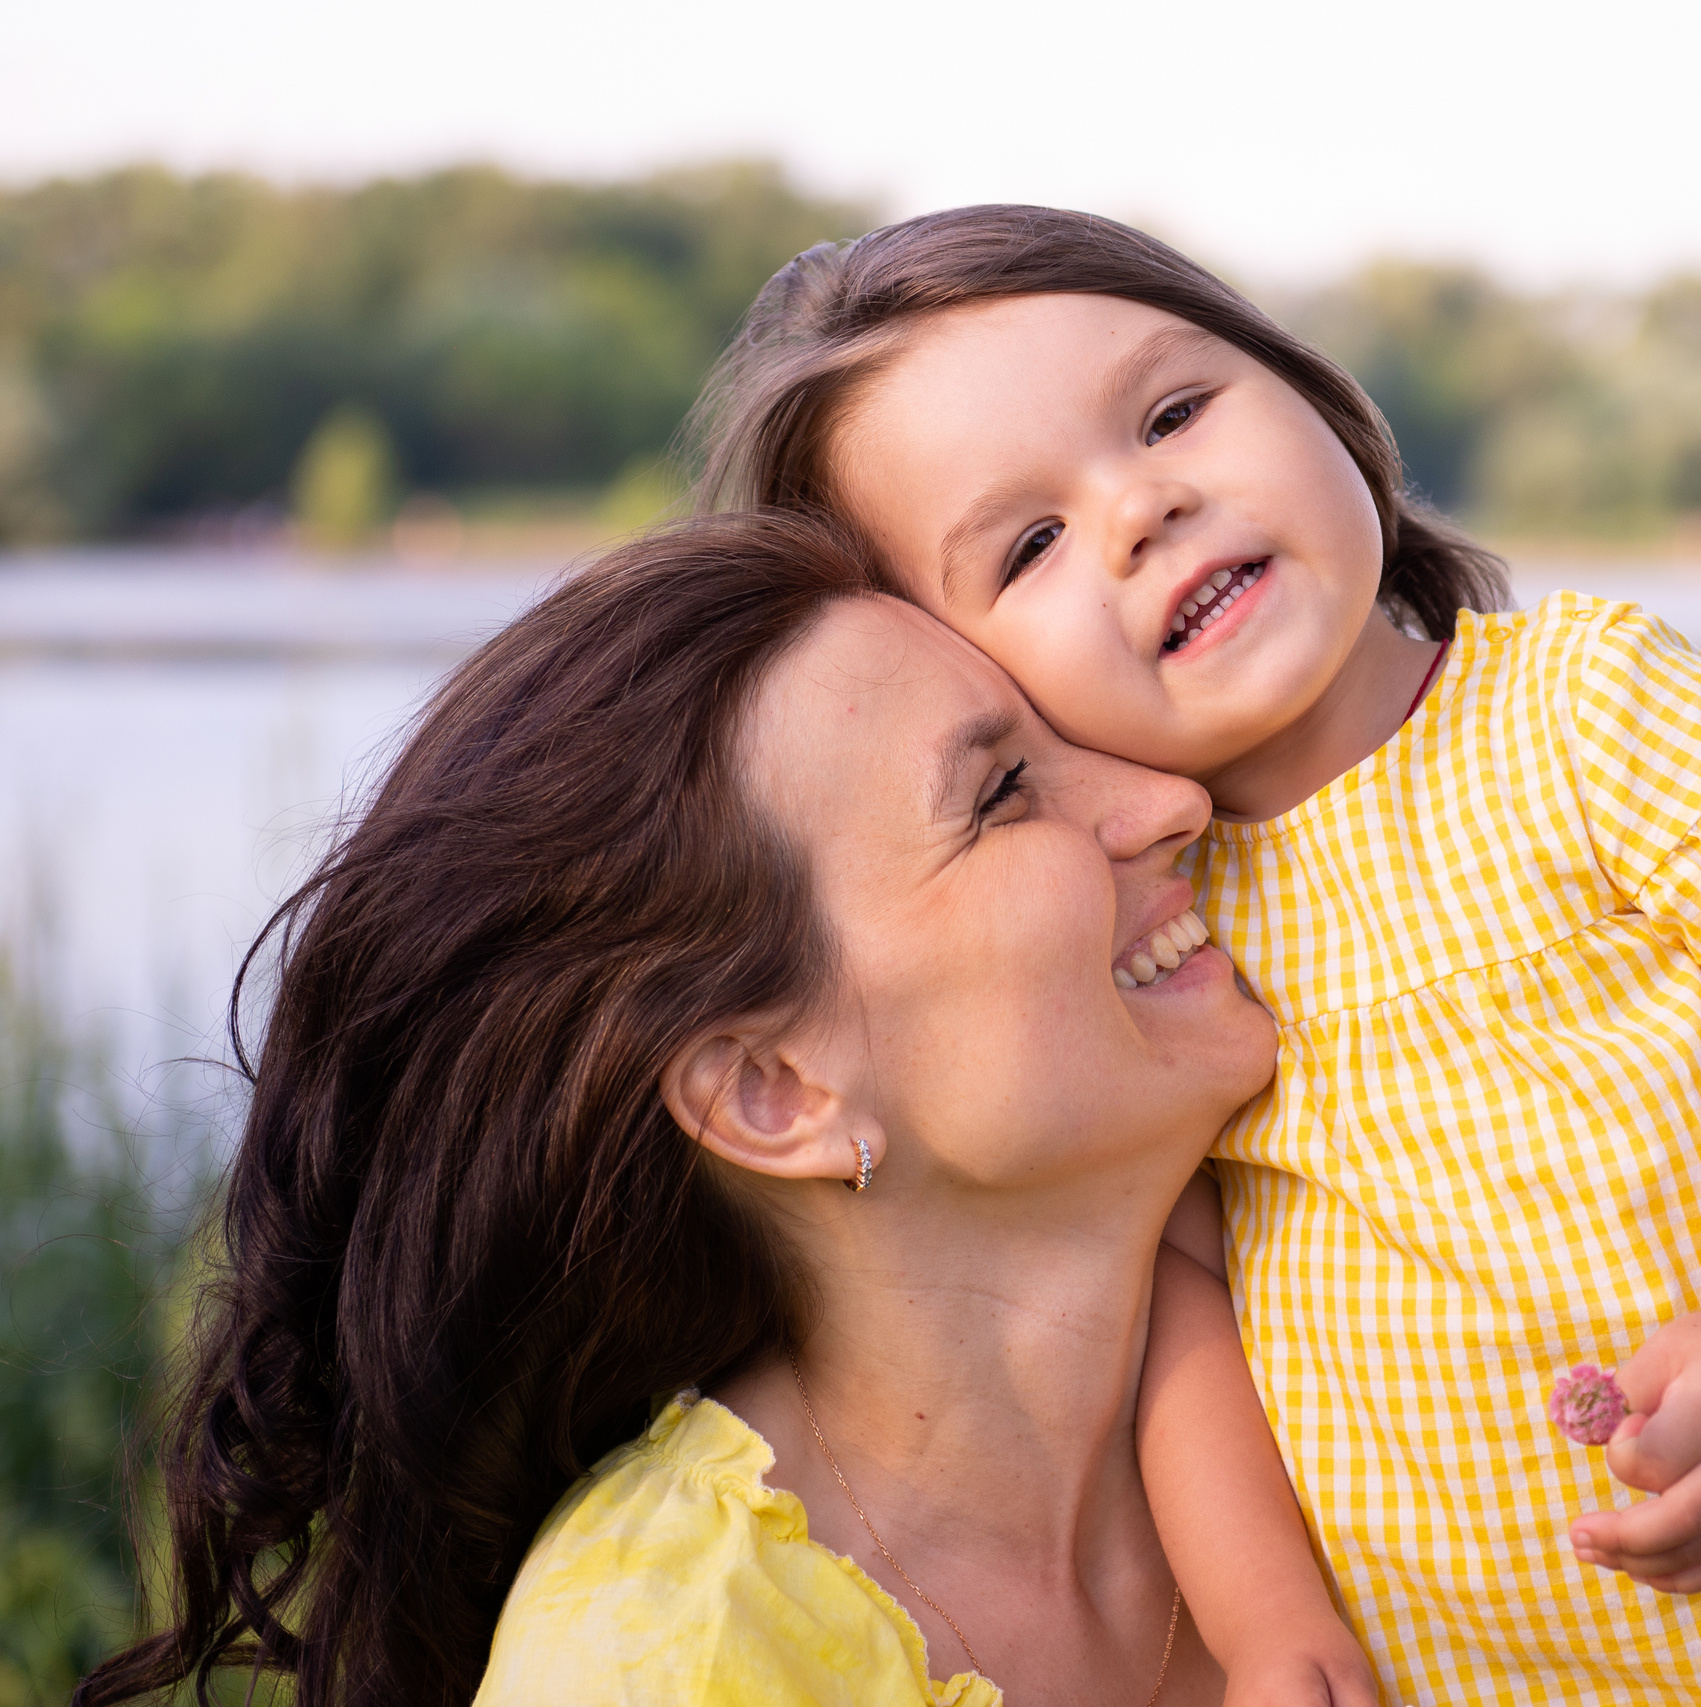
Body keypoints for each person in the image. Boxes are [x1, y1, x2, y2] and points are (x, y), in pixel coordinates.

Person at [688, 207, 1701, 1705]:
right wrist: (1274, 1623)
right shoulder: (1142, 915)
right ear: (950, 667)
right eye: (1029, 542)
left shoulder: (1588, 718)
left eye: (1171, 414)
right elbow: (1182, 1303)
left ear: (1310, 392)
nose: (1141, 510)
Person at [74, 512, 1374, 1707]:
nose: (1169, 802)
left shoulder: (1369, 1328)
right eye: (999, 795)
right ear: (774, 1094)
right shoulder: (666, 1664)